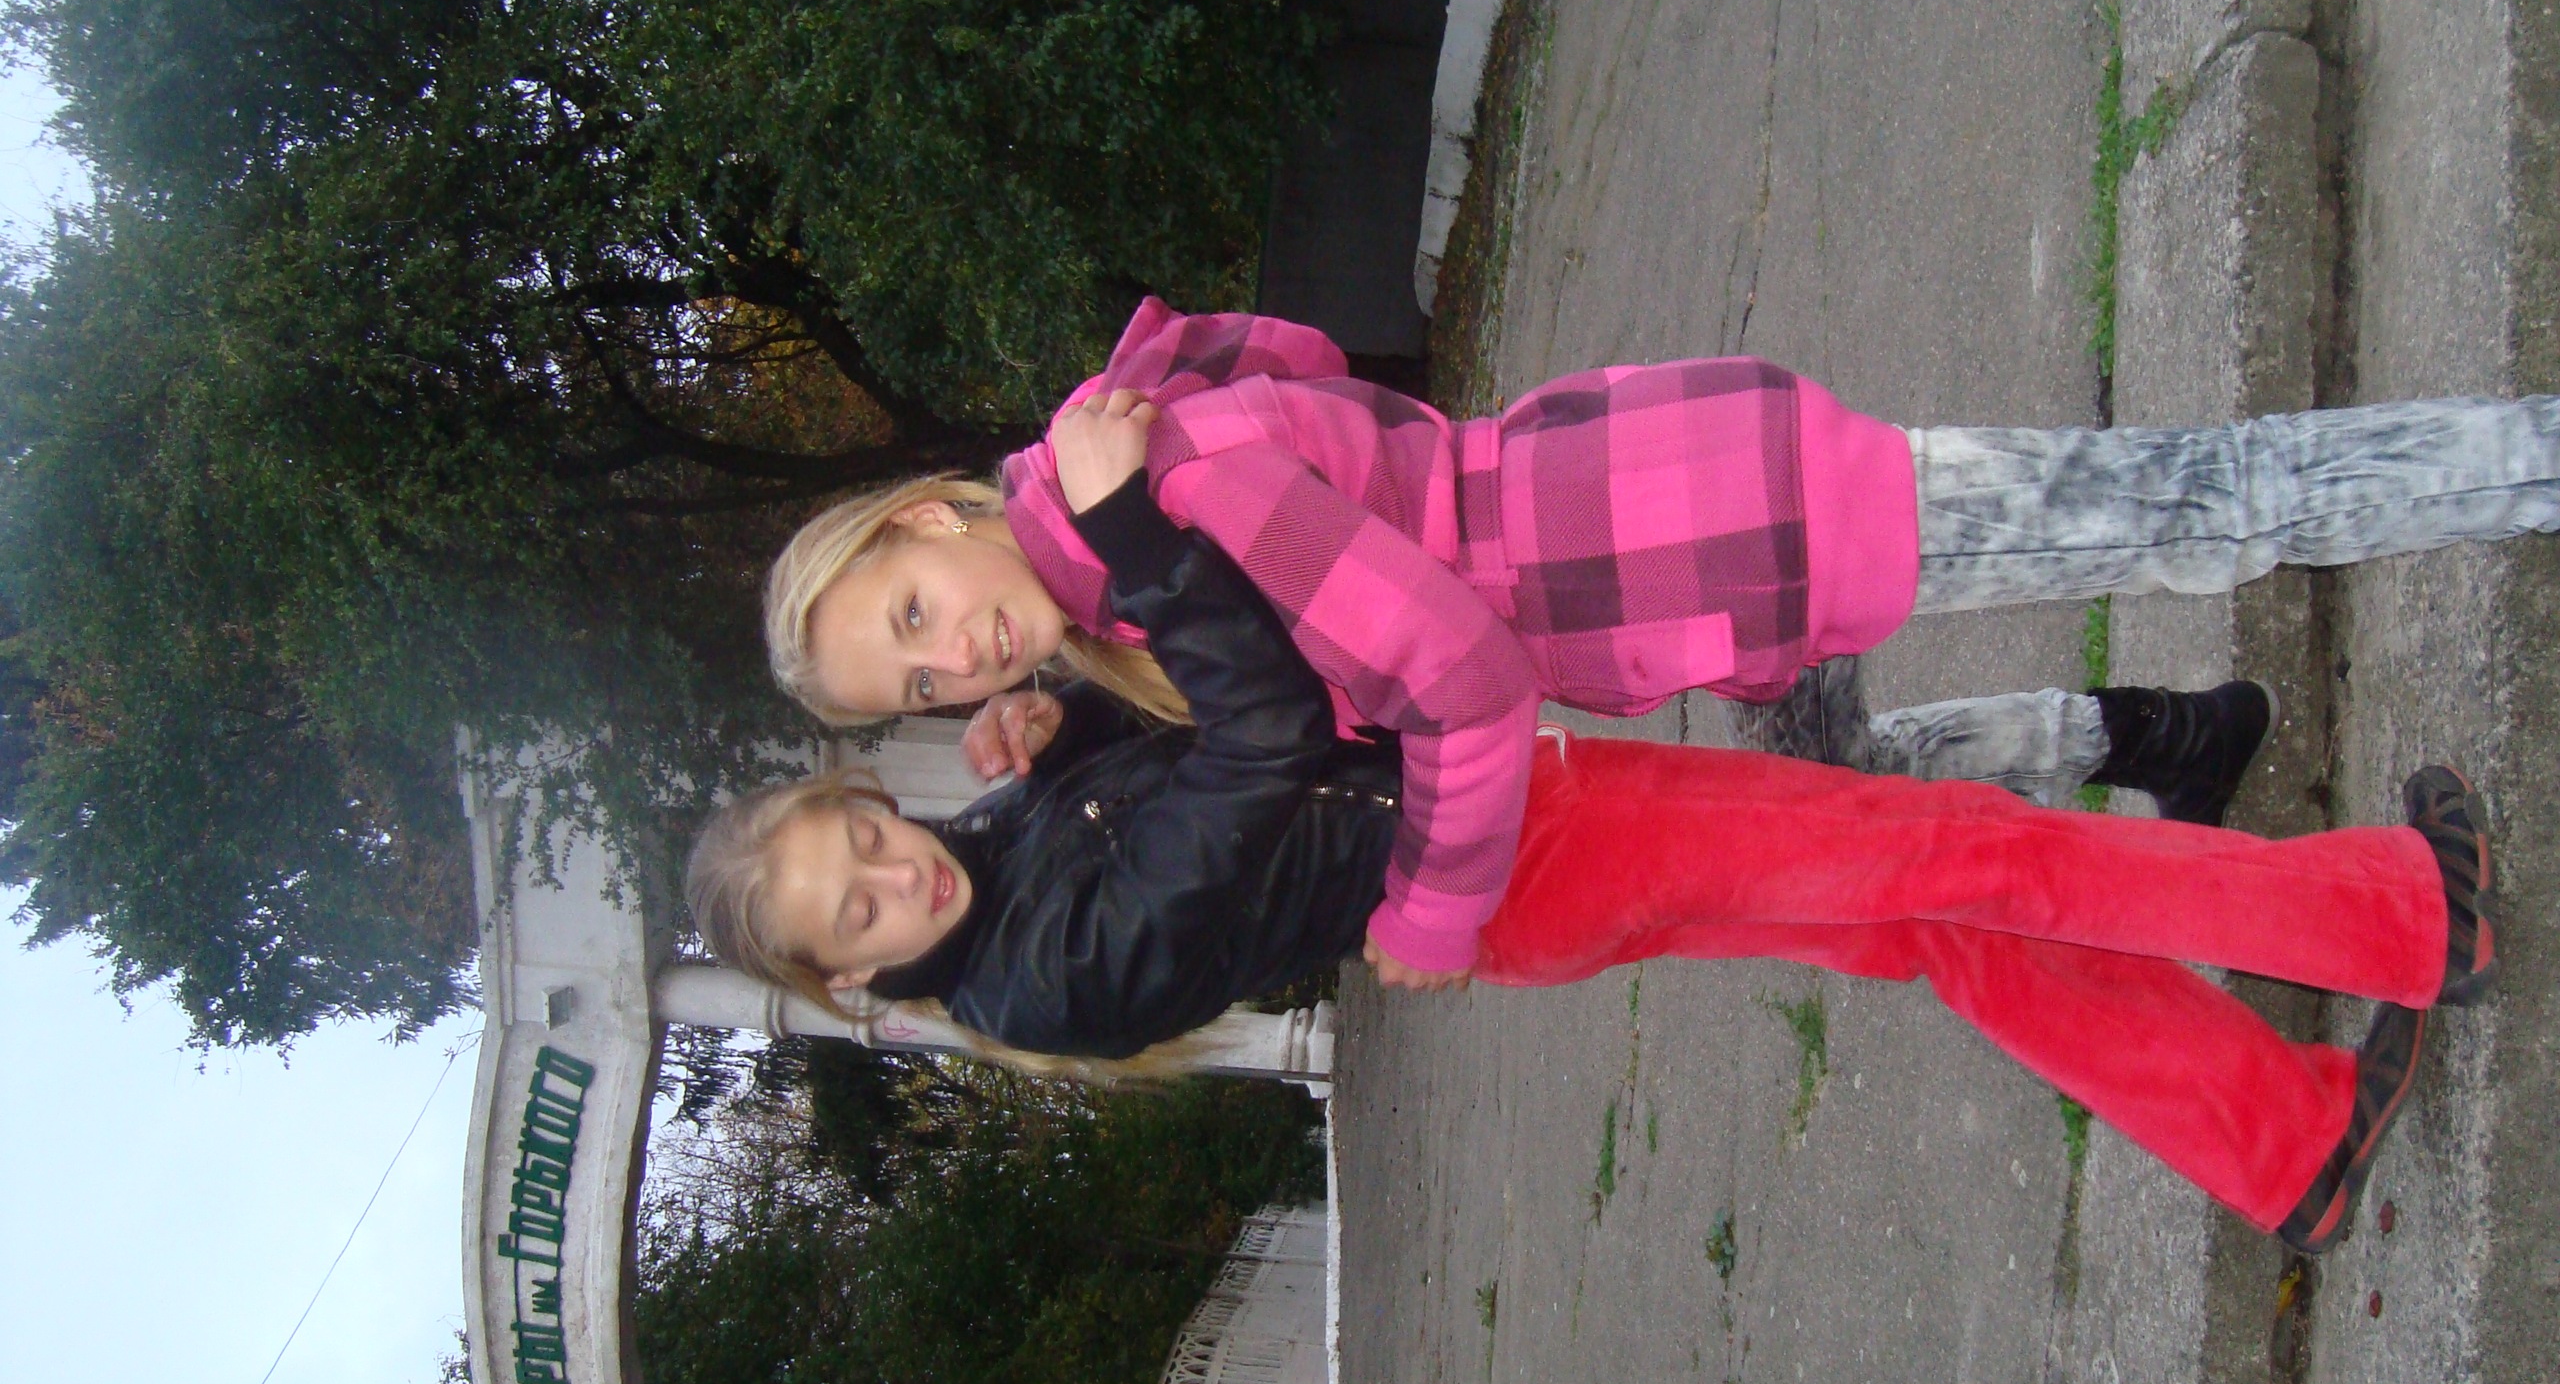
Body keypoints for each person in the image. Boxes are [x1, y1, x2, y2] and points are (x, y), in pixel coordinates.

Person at [696, 451, 2497, 1257]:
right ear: (849, 979)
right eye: (856, 910)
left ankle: (2284, 1139)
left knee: (1937, 919)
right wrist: (1142, 554)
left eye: (865, 830)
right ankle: (2400, 917)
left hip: (1526, 847)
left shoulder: (994, 857)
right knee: (1967, 854)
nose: (894, 874)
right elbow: (1253, 762)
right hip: (1535, 852)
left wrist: (1060, 731)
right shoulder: (1039, 984)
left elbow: (1151, 794)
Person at [762, 300, 2552, 988]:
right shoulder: (1115, 542)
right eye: (922, 681)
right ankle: (2164, 740)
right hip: (1662, 528)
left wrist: (1431, 915)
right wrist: (1076, 729)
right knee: (1865, 779)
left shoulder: (1166, 497)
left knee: (2196, 502)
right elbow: (1308, 388)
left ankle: (2526, 463)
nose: (959, 653)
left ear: (922, 516)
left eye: (916, 613)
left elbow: (1461, 679)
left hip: (1698, 532)